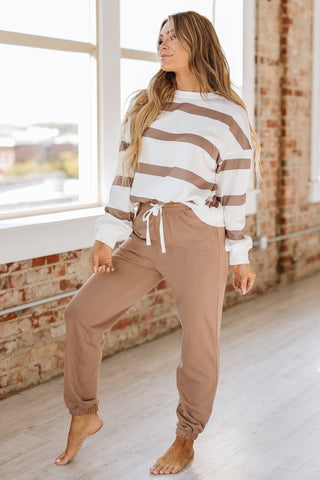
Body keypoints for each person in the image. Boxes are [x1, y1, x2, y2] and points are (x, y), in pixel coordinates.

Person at [55, 10, 261, 475]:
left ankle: (186, 438)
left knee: (199, 343)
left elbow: (234, 191)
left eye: (173, 37)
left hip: (197, 237)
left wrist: (239, 255)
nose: (163, 43)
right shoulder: (145, 105)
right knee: (82, 314)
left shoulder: (227, 115)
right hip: (144, 233)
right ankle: (84, 413)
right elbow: (125, 177)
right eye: (160, 36)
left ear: (198, 43)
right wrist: (107, 236)